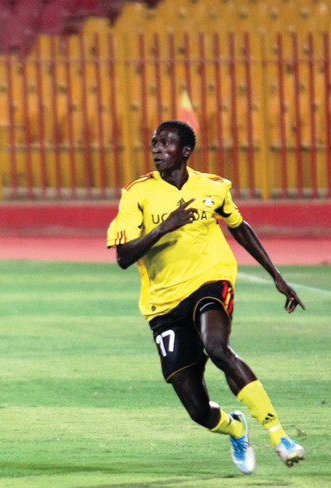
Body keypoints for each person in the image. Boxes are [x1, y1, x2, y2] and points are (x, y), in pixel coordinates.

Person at [107, 120, 306, 474]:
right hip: (163, 302)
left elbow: (239, 226)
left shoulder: (213, 187)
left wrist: (276, 275)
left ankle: (280, 437)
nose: (157, 150)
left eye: (166, 144)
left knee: (217, 348)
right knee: (198, 410)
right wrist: (164, 226)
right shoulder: (137, 193)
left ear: (186, 151)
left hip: (210, 280)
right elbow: (123, 257)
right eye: (154, 144)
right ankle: (236, 428)